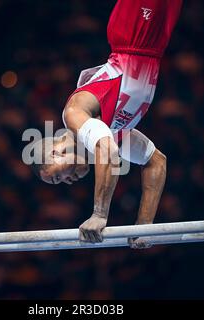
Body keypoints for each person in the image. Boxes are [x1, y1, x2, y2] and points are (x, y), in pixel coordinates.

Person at [29, 0, 183, 248]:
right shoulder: (115, 134)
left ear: (56, 152)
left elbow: (107, 151)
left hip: (131, 34)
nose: (68, 182)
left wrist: (99, 214)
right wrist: (143, 226)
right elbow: (156, 162)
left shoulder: (74, 114)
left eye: (58, 178)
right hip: (155, 46)